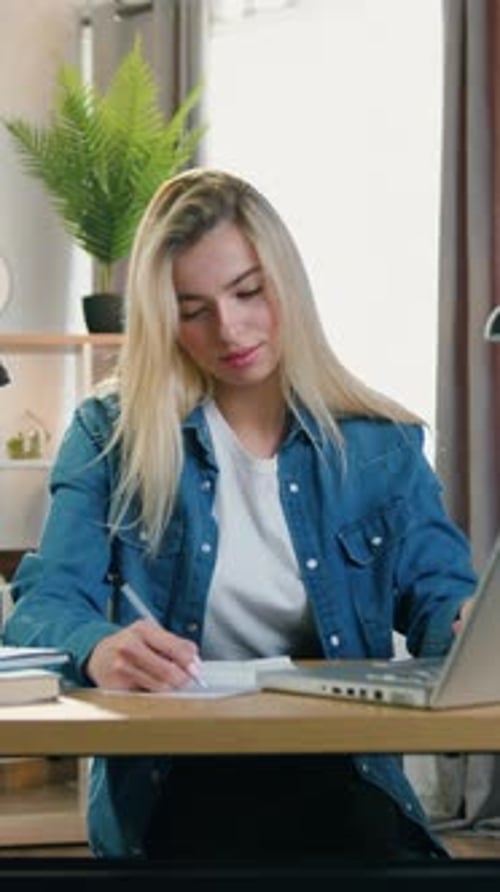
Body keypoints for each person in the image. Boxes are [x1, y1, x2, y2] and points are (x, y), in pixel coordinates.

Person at [4, 168, 477, 863]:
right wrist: (100, 646)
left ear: (286, 283)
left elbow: (442, 600)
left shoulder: (380, 445)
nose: (230, 329)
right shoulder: (110, 436)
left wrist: (466, 628)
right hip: (174, 780)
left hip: (337, 772)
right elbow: (44, 604)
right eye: (192, 309)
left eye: (248, 292)